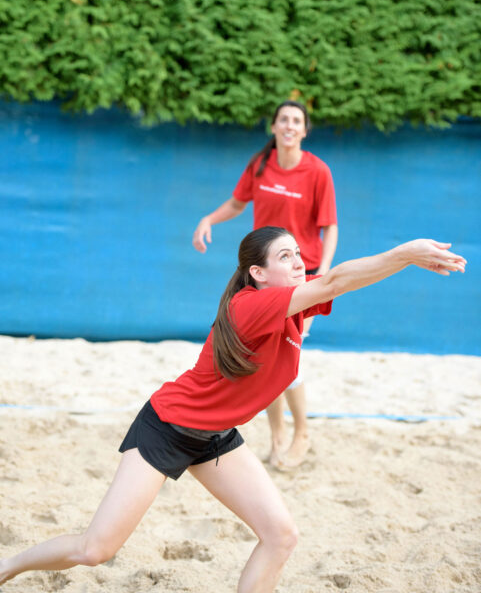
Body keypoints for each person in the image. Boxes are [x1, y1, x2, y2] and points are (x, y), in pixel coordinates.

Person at [0, 226, 466, 592]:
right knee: (95, 549)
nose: (298, 262)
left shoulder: (292, 308)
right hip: (166, 428)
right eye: (285, 257)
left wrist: (401, 261)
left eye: (298, 254)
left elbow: (342, 281)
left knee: (281, 536)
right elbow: (339, 277)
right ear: (258, 273)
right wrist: (406, 254)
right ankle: (8, 566)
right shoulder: (253, 305)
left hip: (217, 436)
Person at [193, 100, 338, 469]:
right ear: (273, 127)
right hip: (266, 277)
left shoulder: (318, 171)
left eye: (297, 121)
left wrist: (322, 274)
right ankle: (276, 436)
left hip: (301, 275)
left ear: (305, 130)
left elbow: (329, 226)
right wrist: (209, 219)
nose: (289, 126)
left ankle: (301, 431)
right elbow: (237, 203)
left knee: (291, 354)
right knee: (264, 354)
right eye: (283, 120)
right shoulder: (260, 165)